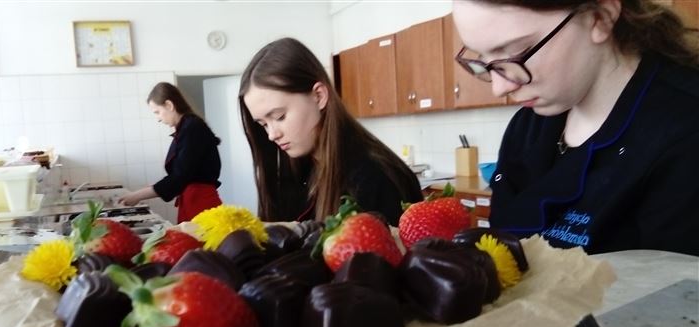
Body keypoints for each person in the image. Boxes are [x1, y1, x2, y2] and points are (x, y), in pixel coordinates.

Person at [452, 0, 699, 256]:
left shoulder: (686, 129)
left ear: (600, 17)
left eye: (517, 52)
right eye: (483, 60)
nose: (499, 88)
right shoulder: (526, 126)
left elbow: (676, 278)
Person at [238, 37, 423, 226]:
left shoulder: (375, 178)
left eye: (279, 117)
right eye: (263, 124)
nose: (272, 134)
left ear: (318, 96)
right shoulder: (297, 170)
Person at [118, 82, 222, 223]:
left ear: (169, 105)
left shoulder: (192, 128)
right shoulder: (187, 127)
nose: (158, 118)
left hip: (200, 202)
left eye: (157, 112)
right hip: (192, 199)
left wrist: (137, 195)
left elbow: (179, 176)